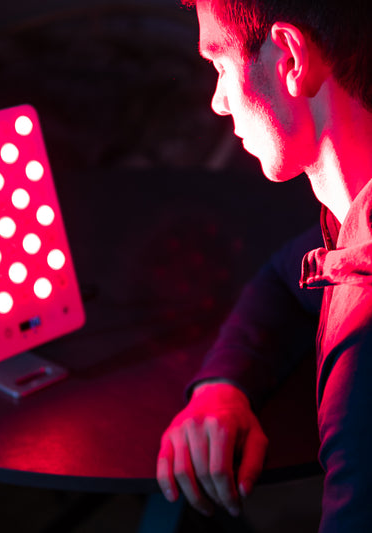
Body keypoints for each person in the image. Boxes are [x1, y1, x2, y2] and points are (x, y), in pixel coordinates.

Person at [156, 0, 372, 531]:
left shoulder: (363, 354)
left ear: (290, 59)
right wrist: (222, 386)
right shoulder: (353, 229)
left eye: (220, 64)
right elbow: (285, 276)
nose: (218, 102)